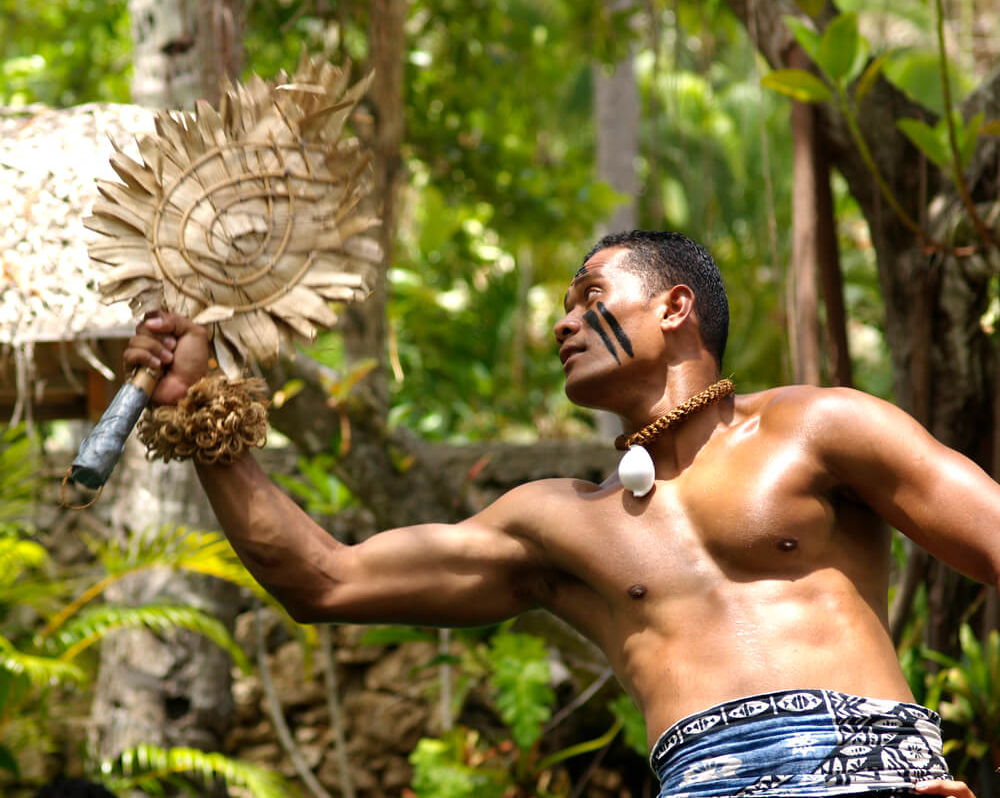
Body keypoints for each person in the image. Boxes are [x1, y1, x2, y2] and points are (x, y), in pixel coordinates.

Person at [124, 230, 994, 798]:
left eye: (589, 295)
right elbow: (323, 577)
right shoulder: (556, 523)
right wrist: (202, 413)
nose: (561, 323)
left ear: (675, 306)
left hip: (882, 779)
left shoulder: (822, 428)